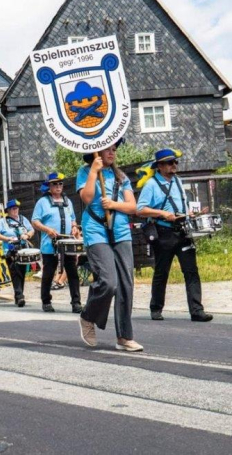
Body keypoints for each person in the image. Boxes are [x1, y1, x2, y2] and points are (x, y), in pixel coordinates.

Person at [76, 141, 143, 352]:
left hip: (121, 232)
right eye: (108, 149)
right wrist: (95, 172)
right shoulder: (85, 171)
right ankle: (88, 316)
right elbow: (86, 199)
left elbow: (132, 207)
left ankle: (124, 336)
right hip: (96, 231)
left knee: (126, 285)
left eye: (114, 150)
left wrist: (114, 205)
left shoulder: (121, 176)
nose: (112, 153)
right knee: (109, 282)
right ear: (96, 152)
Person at [136, 149, 213, 323]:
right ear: (160, 166)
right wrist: (163, 214)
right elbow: (140, 210)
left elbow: (181, 207)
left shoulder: (178, 181)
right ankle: (156, 308)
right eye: (170, 163)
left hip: (182, 230)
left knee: (191, 271)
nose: (174, 165)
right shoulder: (151, 185)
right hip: (163, 232)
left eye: (175, 162)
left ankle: (197, 310)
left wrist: (192, 214)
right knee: (162, 272)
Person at [32, 172, 83, 314]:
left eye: (60, 183)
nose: (58, 186)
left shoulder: (68, 201)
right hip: (50, 244)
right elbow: (35, 221)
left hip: (67, 243)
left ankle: (76, 302)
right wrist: (47, 229)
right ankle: (46, 301)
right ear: (49, 186)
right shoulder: (42, 202)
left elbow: (73, 218)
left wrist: (74, 226)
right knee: (48, 273)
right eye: (55, 183)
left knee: (72, 273)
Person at [0, 200, 35, 308]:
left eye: (17, 208)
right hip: (10, 251)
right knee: (15, 272)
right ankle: (20, 295)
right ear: (8, 211)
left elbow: (31, 230)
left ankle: (18, 295)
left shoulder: (23, 219)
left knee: (21, 273)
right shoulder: (3, 221)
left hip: (23, 250)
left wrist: (27, 235)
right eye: (13, 208)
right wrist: (6, 238)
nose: (15, 210)